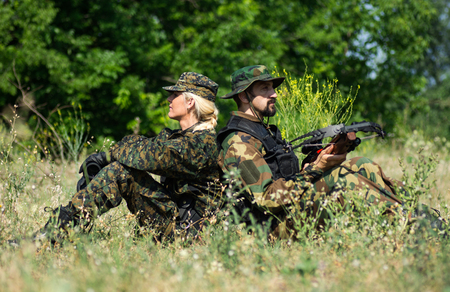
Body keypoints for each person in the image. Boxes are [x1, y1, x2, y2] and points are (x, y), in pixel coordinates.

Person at [217, 65, 443, 239]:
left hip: (288, 212)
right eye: (264, 89)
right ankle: (414, 227)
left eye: (273, 88)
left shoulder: (263, 131)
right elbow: (266, 199)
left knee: (360, 164)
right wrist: (316, 170)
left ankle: (422, 216)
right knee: (344, 180)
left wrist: (326, 156)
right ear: (244, 96)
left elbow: (284, 178)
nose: (274, 94)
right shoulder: (238, 142)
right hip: (270, 229)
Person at [17, 72, 223, 244]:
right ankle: (60, 228)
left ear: (189, 102)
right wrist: (106, 160)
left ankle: (56, 234)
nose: (169, 99)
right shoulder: (179, 137)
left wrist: (105, 157)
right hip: (175, 224)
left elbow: (148, 155)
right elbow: (137, 143)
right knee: (122, 168)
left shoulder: (201, 145)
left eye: (175, 95)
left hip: (188, 235)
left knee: (122, 172)